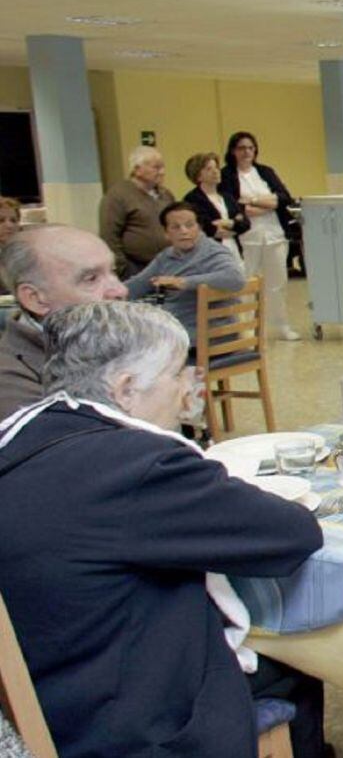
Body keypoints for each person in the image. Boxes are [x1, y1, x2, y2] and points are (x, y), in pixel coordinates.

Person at [0, 301, 326, 758]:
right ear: (127, 388)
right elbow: (292, 534)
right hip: (132, 720)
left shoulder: (25, 436)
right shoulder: (134, 464)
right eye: (177, 373)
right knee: (300, 656)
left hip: (49, 694)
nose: (188, 387)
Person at [0, 226, 127, 420]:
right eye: (91, 279)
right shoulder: (12, 382)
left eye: (113, 271)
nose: (120, 290)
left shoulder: (111, 338)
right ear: (35, 298)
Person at [125, 201, 246, 343]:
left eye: (189, 225)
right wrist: (106, 294)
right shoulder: (167, 256)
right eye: (176, 227)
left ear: (199, 228)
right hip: (178, 328)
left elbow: (236, 278)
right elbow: (139, 284)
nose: (184, 231)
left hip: (208, 334)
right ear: (166, 233)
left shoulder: (212, 252)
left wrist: (182, 282)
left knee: (135, 345)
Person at [220, 131, 300, 341]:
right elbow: (233, 204)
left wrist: (253, 201)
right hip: (247, 237)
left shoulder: (265, 171)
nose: (247, 152)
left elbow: (283, 198)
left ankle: (281, 325)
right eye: (241, 148)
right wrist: (267, 203)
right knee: (246, 283)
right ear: (232, 151)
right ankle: (246, 328)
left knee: (278, 282)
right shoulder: (227, 175)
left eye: (250, 148)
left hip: (274, 234)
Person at [98, 145, 175, 278]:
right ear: (137, 169)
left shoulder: (166, 194)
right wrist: (123, 269)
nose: (162, 172)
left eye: (163, 167)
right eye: (156, 167)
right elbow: (109, 236)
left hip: (167, 265)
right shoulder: (117, 196)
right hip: (135, 269)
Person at [182, 152, 250, 260]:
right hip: (210, 252)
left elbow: (245, 223)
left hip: (234, 248)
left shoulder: (227, 196)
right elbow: (205, 227)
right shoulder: (192, 199)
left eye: (216, 168)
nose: (215, 172)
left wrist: (228, 223)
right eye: (209, 169)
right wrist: (234, 223)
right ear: (198, 176)